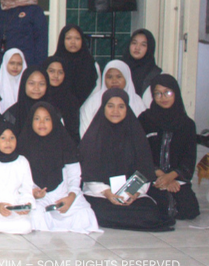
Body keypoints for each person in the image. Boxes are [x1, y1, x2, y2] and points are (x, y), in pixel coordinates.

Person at [80, 89, 176, 232]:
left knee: (150, 212)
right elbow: (89, 174)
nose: (115, 111)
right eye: (110, 106)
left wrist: (134, 193)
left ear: (127, 109)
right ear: (103, 108)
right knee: (97, 212)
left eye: (121, 106)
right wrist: (108, 193)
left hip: (130, 194)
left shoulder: (136, 135)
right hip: (100, 195)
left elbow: (144, 170)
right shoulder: (93, 136)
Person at [18, 102, 99, 234]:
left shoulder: (65, 143)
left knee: (84, 215)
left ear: (54, 121)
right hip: (38, 197)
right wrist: (32, 191)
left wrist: (71, 197)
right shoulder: (23, 145)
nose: (42, 123)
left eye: (47, 119)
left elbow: (74, 176)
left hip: (63, 192)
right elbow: (21, 178)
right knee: (35, 216)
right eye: (37, 119)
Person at [138, 75, 200, 221]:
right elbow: (140, 152)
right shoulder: (145, 119)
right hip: (150, 176)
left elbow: (189, 158)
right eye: (158, 93)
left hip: (176, 178)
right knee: (155, 208)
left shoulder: (187, 124)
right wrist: (162, 176)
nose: (163, 97)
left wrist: (170, 177)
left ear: (176, 93)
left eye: (168, 92)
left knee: (189, 210)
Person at [0, 121, 35, 234]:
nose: (8, 142)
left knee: (26, 226)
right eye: (3, 138)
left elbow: (27, 188)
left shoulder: (22, 161)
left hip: (16, 207)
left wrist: (25, 205)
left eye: (12, 138)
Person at [78, 60, 147, 137]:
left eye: (119, 77)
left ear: (126, 78)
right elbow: (86, 133)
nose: (114, 81)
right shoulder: (93, 102)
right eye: (109, 77)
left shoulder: (137, 102)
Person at [53, 25, 100, 106]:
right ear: (62, 40)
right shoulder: (54, 64)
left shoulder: (91, 65)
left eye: (77, 38)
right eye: (68, 38)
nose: (73, 42)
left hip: (87, 109)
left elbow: (96, 92)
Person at [41, 57, 82, 145]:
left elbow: (73, 131)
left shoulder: (71, 101)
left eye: (60, 72)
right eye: (51, 71)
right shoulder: (39, 96)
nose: (56, 75)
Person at [121, 29, 161, 99]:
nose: (137, 48)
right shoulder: (120, 68)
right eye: (134, 43)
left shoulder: (155, 74)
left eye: (143, 45)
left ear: (149, 48)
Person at [0, 48, 26, 113]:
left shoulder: (26, 85)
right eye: (12, 63)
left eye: (19, 64)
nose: (15, 67)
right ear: (5, 63)